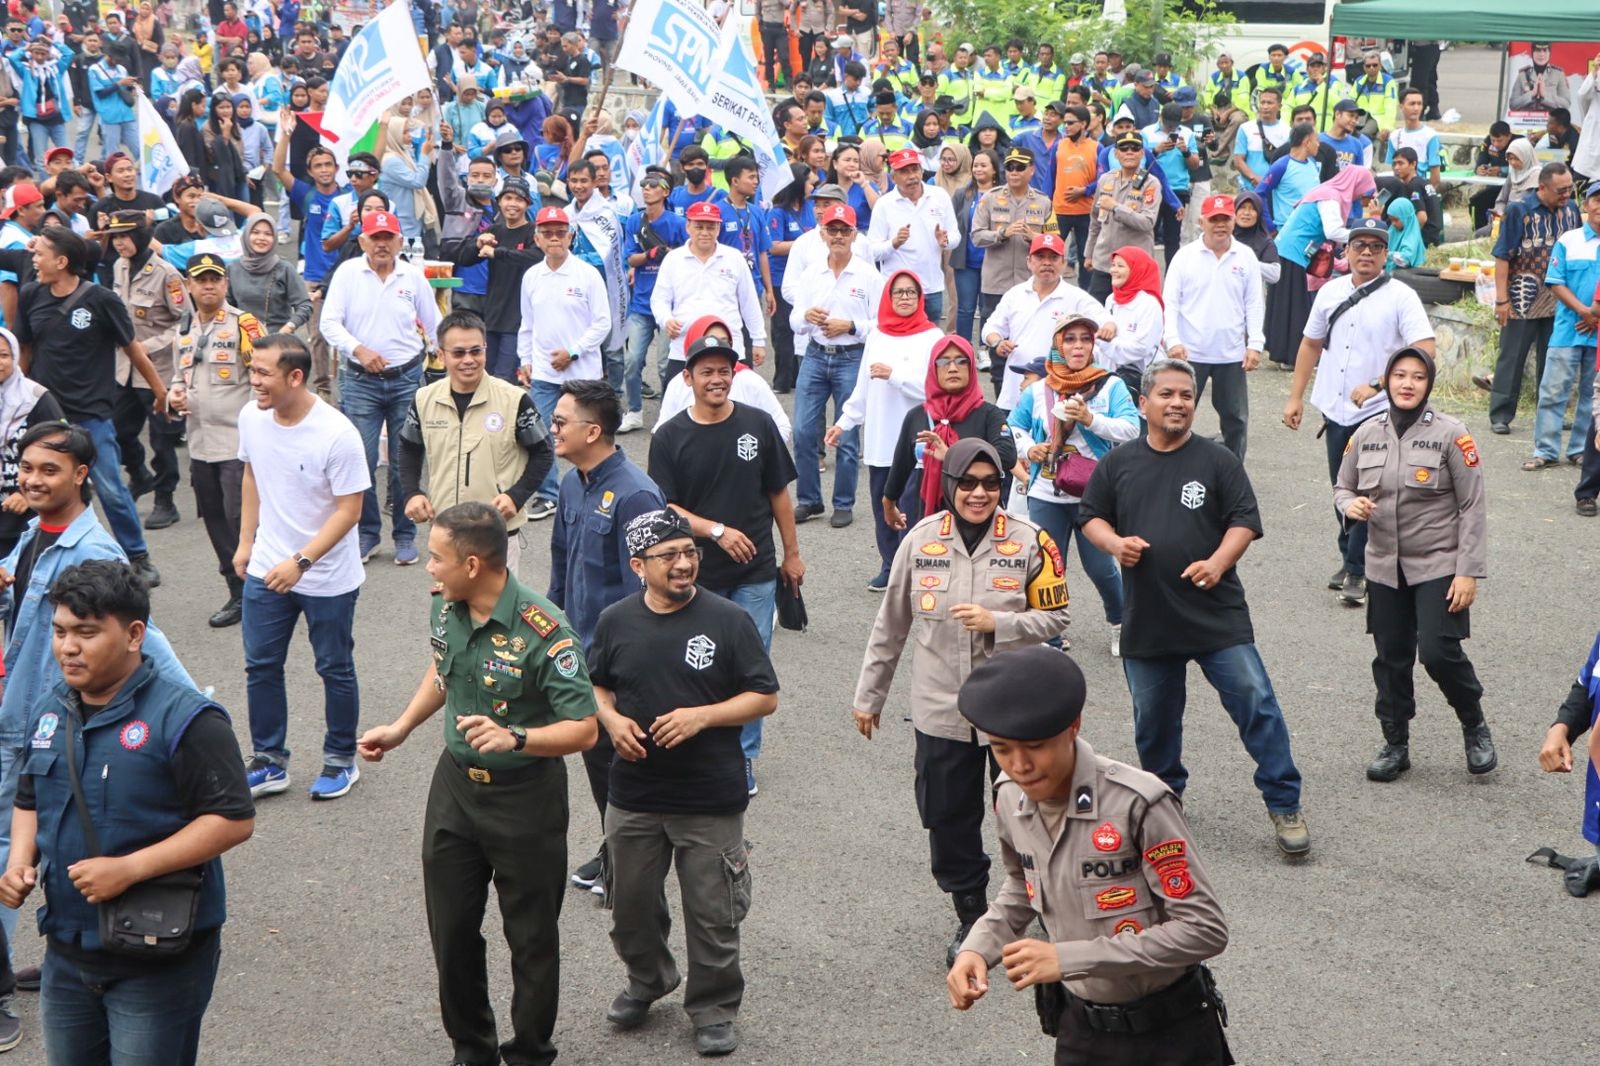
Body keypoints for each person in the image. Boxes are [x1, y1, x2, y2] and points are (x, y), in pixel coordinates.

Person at [357, 501, 597, 1066]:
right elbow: (443, 670)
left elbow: (584, 729)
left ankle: (531, 1051)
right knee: (452, 927)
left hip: (525, 798)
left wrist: (516, 738)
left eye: (436, 558)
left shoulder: (545, 631)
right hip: (456, 788)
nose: (427, 568)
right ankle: (472, 1047)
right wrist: (401, 727)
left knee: (532, 936)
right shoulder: (447, 608)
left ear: (472, 564)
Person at [0, 558, 252, 1066]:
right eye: (60, 631)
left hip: (157, 957)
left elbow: (233, 819)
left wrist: (130, 868)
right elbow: (30, 796)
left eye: (87, 633)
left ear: (135, 634)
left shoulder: (188, 719)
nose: (68, 647)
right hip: (68, 952)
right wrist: (18, 861)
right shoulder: (51, 710)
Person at [947, 646, 1231, 1063]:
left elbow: (1204, 929)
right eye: (1002, 749)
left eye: (1036, 746)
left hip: (1170, 1033)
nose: (1020, 765)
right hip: (1081, 1030)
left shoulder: (1138, 804)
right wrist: (977, 947)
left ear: (1073, 726)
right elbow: (1022, 884)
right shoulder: (1009, 796)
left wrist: (1068, 958)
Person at [1078, 358, 1309, 855]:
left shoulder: (1218, 460)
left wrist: (1219, 561)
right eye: (1167, 395)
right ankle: (1164, 806)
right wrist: (1115, 545)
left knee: (1256, 704)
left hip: (1215, 613)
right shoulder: (1119, 463)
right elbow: (1090, 517)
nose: (1178, 403)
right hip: (1148, 617)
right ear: (1144, 405)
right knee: (1154, 722)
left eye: (1186, 395)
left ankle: (1284, 802)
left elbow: (1244, 519)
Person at [854, 435, 1067, 967]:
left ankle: (1042, 901)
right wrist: (869, 696)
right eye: (967, 483)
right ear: (949, 484)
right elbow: (891, 625)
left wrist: (1002, 623)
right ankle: (971, 914)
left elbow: (1058, 617)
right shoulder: (921, 540)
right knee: (947, 815)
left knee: (1031, 811)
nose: (979, 493)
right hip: (941, 712)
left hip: (1015, 711)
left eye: (991, 483)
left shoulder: (1032, 541)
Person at [586, 509, 777, 1057]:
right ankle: (649, 980)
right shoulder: (615, 621)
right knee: (630, 907)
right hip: (634, 794)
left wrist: (703, 716)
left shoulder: (728, 620)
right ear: (638, 565)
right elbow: (596, 687)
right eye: (668, 556)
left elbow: (764, 695)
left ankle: (714, 1008)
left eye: (688, 552)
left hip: (709, 797)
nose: (683, 563)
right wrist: (612, 720)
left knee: (714, 911)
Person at [1329, 346, 1494, 782]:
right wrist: (1352, 505)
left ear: (1429, 385)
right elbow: (1341, 486)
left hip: (1438, 562)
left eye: (1417, 377)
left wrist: (1467, 571)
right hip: (1384, 564)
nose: (1407, 383)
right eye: (1399, 375)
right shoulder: (1365, 433)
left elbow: (1473, 506)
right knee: (1391, 657)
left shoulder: (1451, 434)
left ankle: (1474, 725)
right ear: (1388, 380)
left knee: (1439, 652)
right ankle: (1395, 742)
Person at [648, 332, 802, 796]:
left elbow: (779, 492)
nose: (716, 379)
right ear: (688, 377)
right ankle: (697, 746)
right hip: (692, 573)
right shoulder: (670, 435)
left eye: (723, 371)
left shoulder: (757, 424)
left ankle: (743, 758)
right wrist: (715, 530)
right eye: (706, 371)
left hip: (756, 571)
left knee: (751, 666)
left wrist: (792, 554)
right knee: (694, 661)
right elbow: (666, 508)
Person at [235, 333, 370, 802]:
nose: (254, 381)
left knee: (334, 667)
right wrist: (245, 542)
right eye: (252, 370)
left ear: (295, 376)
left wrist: (302, 561)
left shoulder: (337, 434)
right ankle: (269, 761)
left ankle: (340, 760)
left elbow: (349, 511)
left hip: (327, 575)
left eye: (263, 373)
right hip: (267, 567)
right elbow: (252, 474)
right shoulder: (252, 416)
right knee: (261, 666)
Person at [547, 379, 665, 894]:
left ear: (592, 431)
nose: (551, 429)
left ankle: (635, 865)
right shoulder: (572, 482)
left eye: (560, 421)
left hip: (622, 661)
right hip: (579, 654)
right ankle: (615, 847)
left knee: (628, 764)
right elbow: (560, 566)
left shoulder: (636, 495)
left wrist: (627, 668)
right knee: (597, 759)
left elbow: (651, 594)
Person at [1283, 218, 1435, 607]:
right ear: (1345, 251)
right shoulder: (1330, 292)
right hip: (1337, 411)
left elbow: (1424, 349)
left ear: (1386, 254)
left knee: (1370, 489)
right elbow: (1309, 345)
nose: (1366, 253)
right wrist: (1295, 397)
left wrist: (1379, 385)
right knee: (1342, 486)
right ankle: (1352, 553)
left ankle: (1357, 569)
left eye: (1375, 247)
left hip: (1380, 414)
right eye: (1359, 245)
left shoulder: (1401, 296)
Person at [16, 226, 162, 586]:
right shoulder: (32, 294)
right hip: (47, 415)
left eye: (41, 254)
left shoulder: (101, 299)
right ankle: (58, 555)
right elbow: (26, 351)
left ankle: (137, 556)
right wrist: (17, 396)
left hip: (92, 413)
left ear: (62, 261)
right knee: (50, 488)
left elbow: (133, 348)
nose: (35, 259)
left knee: (110, 487)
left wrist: (159, 390)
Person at [1009, 313, 1137, 654]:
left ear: (1094, 344)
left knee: (1101, 567)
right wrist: (1029, 448)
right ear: (1057, 346)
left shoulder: (1110, 385)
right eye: (1070, 339)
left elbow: (1131, 428)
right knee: (1049, 567)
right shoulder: (1039, 389)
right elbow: (1011, 428)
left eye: (1085, 338)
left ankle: (1121, 622)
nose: (1078, 346)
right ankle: (1049, 634)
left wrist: (1090, 419)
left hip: (1094, 494)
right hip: (1045, 492)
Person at [320, 209, 440, 563]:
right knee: (361, 461)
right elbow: (329, 323)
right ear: (363, 241)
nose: (383, 244)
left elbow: (434, 325)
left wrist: (443, 356)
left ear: (400, 241)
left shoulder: (413, 276)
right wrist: (358, 348)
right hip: (361, 381)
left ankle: (405, 534)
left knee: (406, 461)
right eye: (376, 238)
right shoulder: (347, 274)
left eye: (389, 238)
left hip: (406, 379)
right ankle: (368, 533)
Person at [398, 309, 553, 575]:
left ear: (485, 350)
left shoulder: (514, 400)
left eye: (476, 351)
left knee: (496, 614)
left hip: (497, 534)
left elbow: (543, 453)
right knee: (448, 613)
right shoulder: (423, 399)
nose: (468, 360)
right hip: (446, 533)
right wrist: (412, 492)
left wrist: (515, 497)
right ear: (441, 354)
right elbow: (409, 448)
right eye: (458, 353)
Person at [827, 268, 940, 589]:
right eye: (899, 292)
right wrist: (843, 423)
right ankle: (890, 564)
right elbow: (862, 387)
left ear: (920, 298)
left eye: (911, 293)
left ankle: (915, 567)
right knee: (882, 505)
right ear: (888, 297)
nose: (905, 298)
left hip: (917, 443)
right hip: (880, 439)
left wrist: (896, 376)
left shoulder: (932, 337)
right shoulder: (876, 334)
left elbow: (936, 388)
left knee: (912, 508)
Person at [168, 252, 264, 628]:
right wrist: (173, 397)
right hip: (200, 443)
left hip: (237, 441)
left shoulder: (245, 324)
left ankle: (258, 589)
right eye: (201, 279)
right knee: (213, 518)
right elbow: (180, 376)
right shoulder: (185, 329)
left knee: (241, 516)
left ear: (226, 283)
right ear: (189, 285)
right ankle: (236, 590)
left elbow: (262, 377)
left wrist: (261, 430)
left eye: (215, 279)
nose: (208, 285)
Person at [787, 201, 884, 529]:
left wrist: (851, 326)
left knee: (846, 434)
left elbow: (881, 324)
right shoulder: (812, 272)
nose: (839, 236)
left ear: (855, 234)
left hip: (851, 358)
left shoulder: (869, 275)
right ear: (824, 233)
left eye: (845, 230)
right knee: (802, 431)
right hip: (815, 354)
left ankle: (843, 502)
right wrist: (806, 317)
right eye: (833, 230)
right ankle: (809, 499)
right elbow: (794, 319)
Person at [516, 205, 610, 521]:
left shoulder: (587, 274)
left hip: (583, 373)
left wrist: (573, 351)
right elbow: (526, 324)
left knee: (589, 434)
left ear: (571, 236)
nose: (554, 238)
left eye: (560, 232)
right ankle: (548, 494)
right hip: (543, 374)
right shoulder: (531, 277)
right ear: (537, 238)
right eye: (547, 233)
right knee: (542, 433)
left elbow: (602, 323)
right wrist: (525, 360)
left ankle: (596, 487)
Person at [1161, 194, 1263, 460]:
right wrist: (1172, 340)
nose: (1220, 225)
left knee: (1235, 419)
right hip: (1189, 352)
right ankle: (1172, 465)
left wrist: (1255, 344)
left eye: (1225, 219)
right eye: (1214, 219)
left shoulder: (1246, 256)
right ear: (1201, 221)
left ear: (1233, 221)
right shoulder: (1185, 257)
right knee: (1177, 414)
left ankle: (1233, 472)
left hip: (1230, 353)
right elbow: (1170, 303)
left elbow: (1254, 302)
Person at [106, 212, 188, 534]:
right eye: (115, 237)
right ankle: (140, 474)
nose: (119, 243)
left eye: (125, 236)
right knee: (119, 429)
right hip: (125, 368)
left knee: (163, 438)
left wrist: (149, 346)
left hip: (159, 368)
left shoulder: (167, 274)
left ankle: (165, 499)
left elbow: (184, 322)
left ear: (141, 235)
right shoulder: (119, 267)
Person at [1483, 163, 1579, 435]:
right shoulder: (1519, 210)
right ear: (1542, 188)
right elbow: (1502, 256)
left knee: (1553, 360)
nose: (1566, 195)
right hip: (1521, 299)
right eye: (1561, 190)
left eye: (1570, 188)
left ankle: (1549, 414)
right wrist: (1501, 301)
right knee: (1512, 358)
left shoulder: (1571, 210)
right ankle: (1501, 415)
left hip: (1560, 299)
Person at [884, 335, 1016, 531]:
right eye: (944, 361)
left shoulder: (989, 414)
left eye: (961, 361)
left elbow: (1007, 457)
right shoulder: (918, 416)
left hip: (979, 518)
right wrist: (889, 505)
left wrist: (952, 456)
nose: (953, 368)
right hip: (927, 519)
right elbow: (901, 467)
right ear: (933, 368)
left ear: (971, 367)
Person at [1266, 164, 1378, 371]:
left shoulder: (1327, 192)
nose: (1363, 197)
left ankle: (1286, 354)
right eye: (1365, 191)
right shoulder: (1331, 196)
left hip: (1290, 250)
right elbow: (1333, 230)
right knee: (1296, 307)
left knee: (1288, 305)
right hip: (1295, 252)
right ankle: (1293, 356)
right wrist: (1362, 235)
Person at [651, 201, 765, 371]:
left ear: (718, 229)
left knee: (735, 397)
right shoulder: (673, 259)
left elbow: (749, 302)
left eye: (711, 227)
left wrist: (758, 340)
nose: (705, 233)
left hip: (729, 349)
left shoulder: (734, 258)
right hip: (684, 350)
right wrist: (666, 319)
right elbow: (659, 299)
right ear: (688, 227)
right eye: (699, 227)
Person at [1540, 187, 1600, 479]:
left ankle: (1579, 450)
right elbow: (1555, 281)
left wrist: (1596, 318)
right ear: (1586, 204)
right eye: (1597, 200)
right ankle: (1545, 451)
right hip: (1568, 330)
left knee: (1592, 397)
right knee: (1553, 391)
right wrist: (1585, 312)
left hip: (1598, 336)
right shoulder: (1569, 240)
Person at [868, 146, 960, 320]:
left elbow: (956, 236)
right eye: (904, 171)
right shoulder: (884, 204)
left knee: (929, 341)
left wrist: (945, 241)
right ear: (893, 177)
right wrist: (893, 243)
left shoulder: (939, 196)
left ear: (922, 170)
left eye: (915, 169)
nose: (912, 176)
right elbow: (872, 251)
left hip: (931, 287)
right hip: (897, 290)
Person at [622, 166, 686, 409]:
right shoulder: (633, 222)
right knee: (633, 361)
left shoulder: (678, 223)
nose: (646, 189)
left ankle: (669, 412)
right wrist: (650, 253)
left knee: (664, 365)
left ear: (666, 191)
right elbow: (631, 259)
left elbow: (685, 258)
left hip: (671, 305)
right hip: (641, 303)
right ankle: (634, 410)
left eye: (652, 185)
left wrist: (668, 255)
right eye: (644, 185)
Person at [0, 325, 59, 560]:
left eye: (4, 355)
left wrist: (25, 493)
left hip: (28, 516)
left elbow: (62, 451)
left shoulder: (36, 398)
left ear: (15, 357)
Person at [1082, 132, 1161, 303]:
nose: (1129, 152)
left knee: (1133, 318)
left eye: (1135, 148)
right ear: (1116, 153)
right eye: (1124, 148)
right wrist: (1089, 253)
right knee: (1097, 316)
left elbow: (1147, 223)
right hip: (1104, 262)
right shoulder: (1105, 180)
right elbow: (1095, 220)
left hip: (1135, 267)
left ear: (1142, 153)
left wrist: (1116, 208)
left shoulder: (1150, 183)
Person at [227, 212, 311, 335]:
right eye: (255, 232)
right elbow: (226, 306)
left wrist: (288, 328)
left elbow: (305, 306)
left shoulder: (285, 269)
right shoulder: (233, 268)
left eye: (268, 234)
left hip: (277, 341)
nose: (261, 238)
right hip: (242, 340)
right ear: (246, 235)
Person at [1097, 245, 1164, 396]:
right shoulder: (1111, 300)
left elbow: (1140, 348)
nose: (1113, 270)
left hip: (1144, 383)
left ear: (1136, 270)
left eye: (1120, 266)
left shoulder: (1149, 304)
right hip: (1111, 380)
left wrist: (1103, 342)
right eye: (1113, 265)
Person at [1387, 88, 1441, 188]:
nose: (1416, 108)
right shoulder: (1394, 136)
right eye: (1412, 104)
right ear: (1401, 107)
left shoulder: (1430, 136)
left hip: (1420, 189)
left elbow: (1435, 176)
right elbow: (1393, 168)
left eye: (1419, 104)